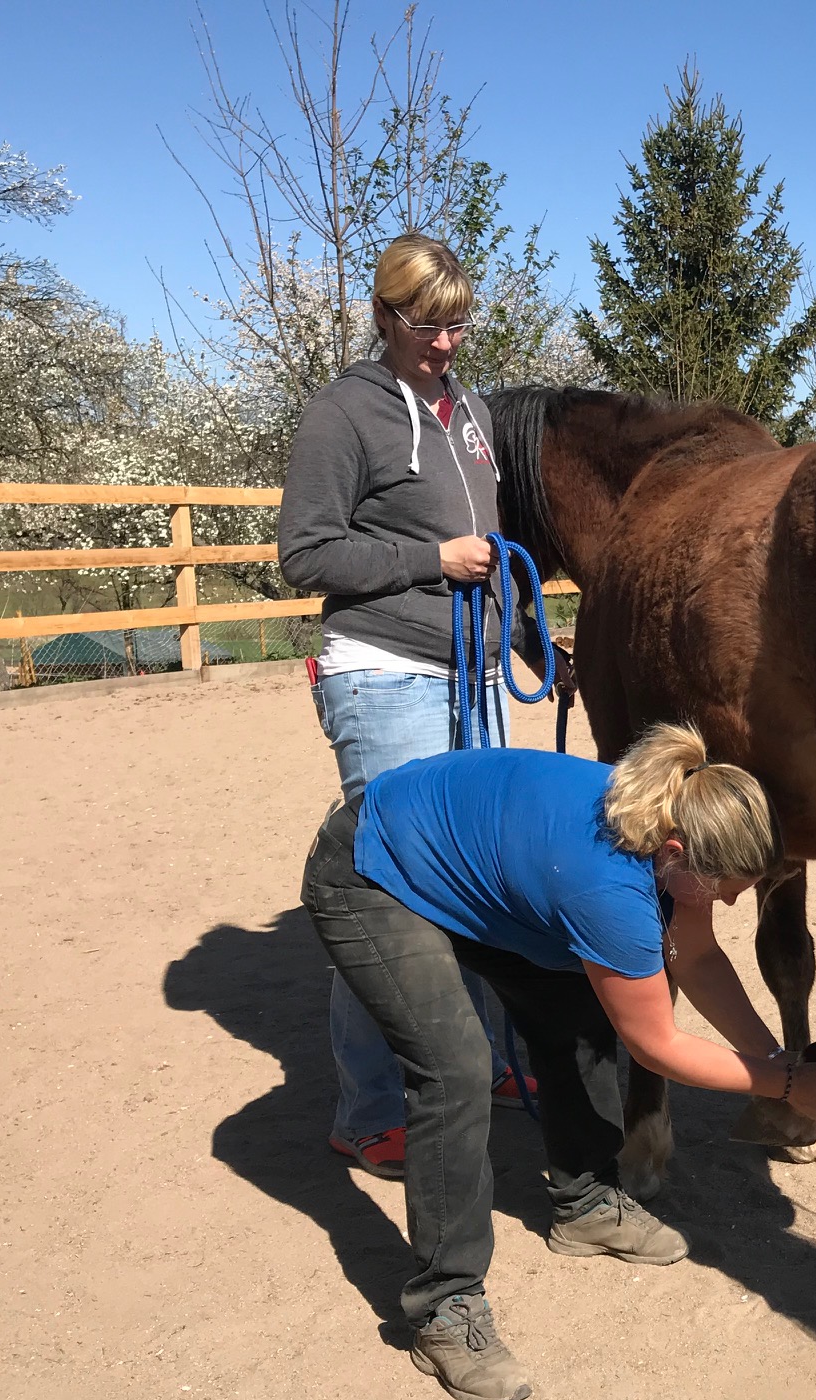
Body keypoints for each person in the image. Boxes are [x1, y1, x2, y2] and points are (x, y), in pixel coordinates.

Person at [299, 723, 816, 1400]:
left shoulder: (670, 823)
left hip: (464, 862)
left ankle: (587, 1201)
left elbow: (699, 959)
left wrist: (775, 1060)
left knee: (577, 1012)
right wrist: (786, 1084)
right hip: (370, 871)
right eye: (728, 888)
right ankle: (444, 1306)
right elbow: (656, 1044)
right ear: (677, 852)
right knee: (456, 1069)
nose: (734, 901)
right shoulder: (609, 889)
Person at [279, 232, 529, 1179]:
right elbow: (305, 554)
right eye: (429, 326)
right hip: (384, 673)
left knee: (484, 879)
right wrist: (429, 562)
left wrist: (531, 640)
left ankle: (487, 1062)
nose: (447, 343)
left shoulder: (467, 413)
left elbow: (491, 544)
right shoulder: (343, 415)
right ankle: (371, 1105)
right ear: (386, 316)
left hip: (471, 676)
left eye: (459, 324)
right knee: (392, 892)